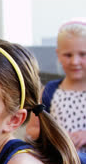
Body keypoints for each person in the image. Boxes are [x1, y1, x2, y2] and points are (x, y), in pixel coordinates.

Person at [27, 18, 86, 152]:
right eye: (68, 55)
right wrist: (56, 136)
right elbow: (31, 131)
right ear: (58, 55)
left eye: (83, 54)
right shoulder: (48, 92)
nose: (75, 61)